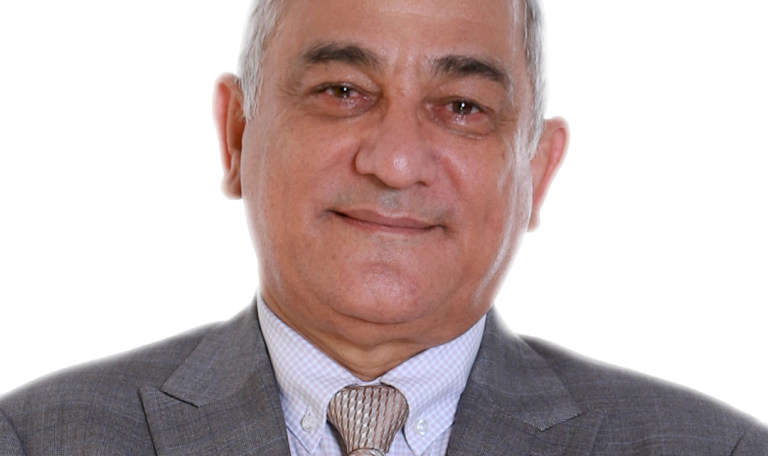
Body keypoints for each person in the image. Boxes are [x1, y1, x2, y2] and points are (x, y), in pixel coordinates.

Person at [1, 0, 766, 454]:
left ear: (537, 171)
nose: (396, 162)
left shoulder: (712, 450)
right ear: (237, 135)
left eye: (462, 107)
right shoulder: (37, 441)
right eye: (342, 90)